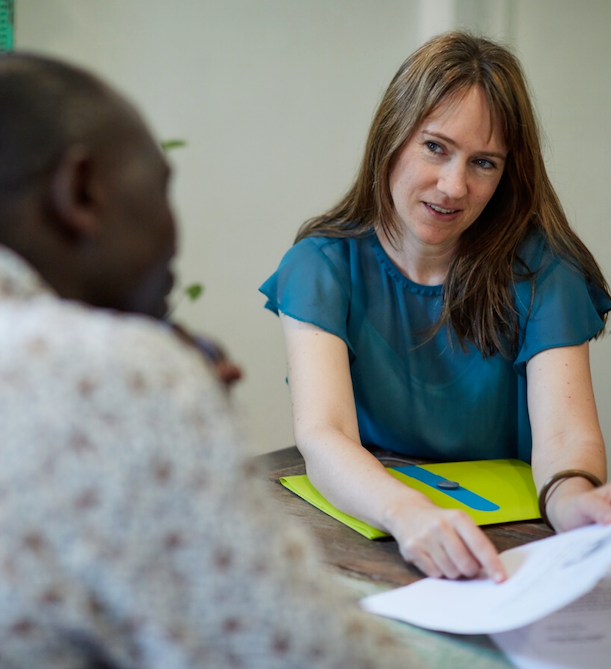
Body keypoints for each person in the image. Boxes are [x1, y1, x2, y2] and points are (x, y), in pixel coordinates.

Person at [0, 53, 425, 669]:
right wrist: (163, 392)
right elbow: (308, 650)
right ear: (82, 191)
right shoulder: (119, 371)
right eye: (160, 187)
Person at [260, 31, 611, 583]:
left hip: (509, 542)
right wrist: (409, 514)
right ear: (392, 136)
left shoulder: (545, 271)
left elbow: (566, 439)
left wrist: (574, 501)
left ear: (507, 173)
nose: (453, 186)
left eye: (484, 163)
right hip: (378, 519)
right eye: (435, 147)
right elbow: (324, 436)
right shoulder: (319, 265)